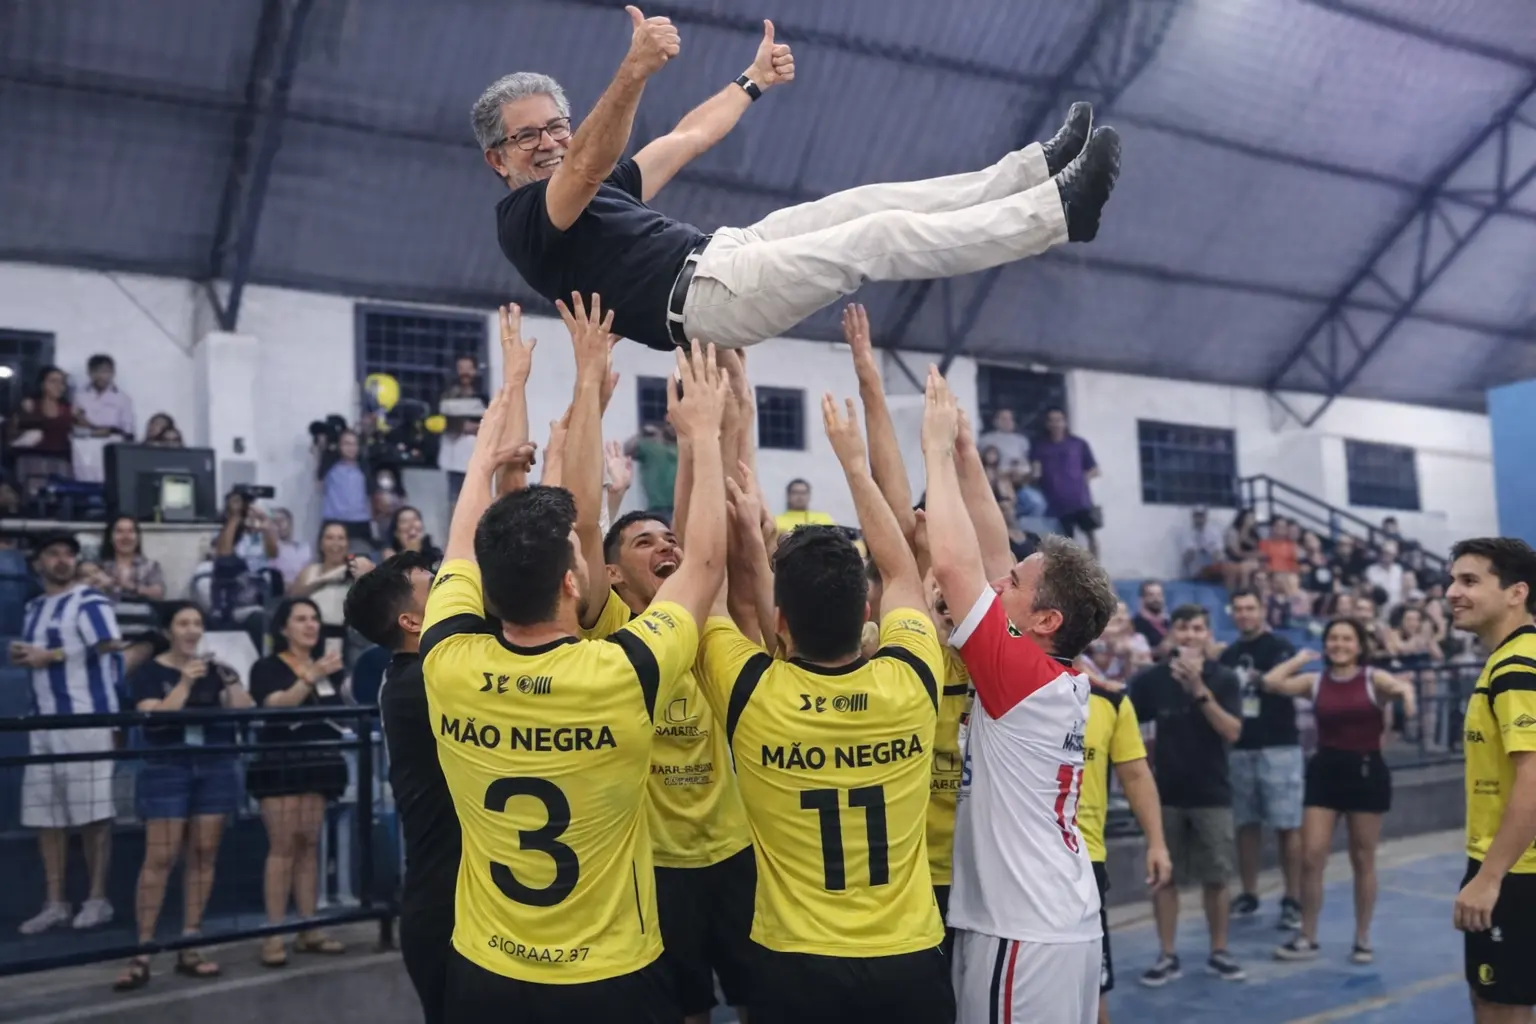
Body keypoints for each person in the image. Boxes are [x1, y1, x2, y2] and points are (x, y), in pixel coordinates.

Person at [478, 12, 1118, 352]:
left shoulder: (599, 189)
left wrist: (752, 81)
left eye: (556, 127)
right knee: (876, 236)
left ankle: (1035, 170)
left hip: (724, 252)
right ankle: (1058, 214)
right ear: (497, 160)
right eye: (527, 136)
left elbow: (686, 137)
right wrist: (634, 71)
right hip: (703, 298)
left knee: (865, 202)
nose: (549, 143)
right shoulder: (525, 221)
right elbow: (586, 163)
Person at [423, 307, 727, 1023]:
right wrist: (705, 436)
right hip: (609, 974)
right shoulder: (622, 673)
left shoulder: (447, 661)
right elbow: (707, 563)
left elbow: (462, 544)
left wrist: (491, 439)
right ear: (573, 581)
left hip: (487, 969)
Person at [694, 396, 952, 1023]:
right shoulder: (913, 679)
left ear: (781, 622)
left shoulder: (753, 692)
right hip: (908, 958)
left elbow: (711, 591)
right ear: (866, 615)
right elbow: (902, 573)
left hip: (795, 964)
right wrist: (854, 464)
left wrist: (709, 447)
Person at [923, 368, 1116, 1024]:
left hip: (1023, 929)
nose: (998, 580)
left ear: (1046, 619)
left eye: (1013, 583)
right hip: (1055, 918)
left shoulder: (1020, 677)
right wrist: (968, 451)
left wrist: (935, 450)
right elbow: (991, 545)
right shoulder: (1048, 674)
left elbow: (955, 564)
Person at [584, 509, 755, 1024]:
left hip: (732, 850)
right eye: (643, 542)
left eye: (670, 539)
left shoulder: (704, 624)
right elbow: (587, 529)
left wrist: (709, 459)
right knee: (687, 1009)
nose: (665, 547)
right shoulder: (610, 630)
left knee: (759, 999)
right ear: (612, 574)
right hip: (657, 864)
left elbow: (705, 544)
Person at [1262, 619, 1416, 963]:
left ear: (1359, 646)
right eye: (1333, 638)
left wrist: (1406, 694)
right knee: (1311, 856)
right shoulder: (1315, 681)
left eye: (1347, 639)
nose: (1339, 644)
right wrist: (1300, 659)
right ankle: (1307, 936)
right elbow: (1272, 682)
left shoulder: (1372, 678)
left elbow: (1398, 687)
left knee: (1362, 858)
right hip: (1325, 771)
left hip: (1365, 771)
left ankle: (1362, 938)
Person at [115, 602, 251, 990]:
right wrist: (185, 684)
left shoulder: (213, 670)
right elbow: (156, 717)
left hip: (214, 765)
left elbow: (244, 709)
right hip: (167, 767)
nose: (192, 630)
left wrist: (231, 681)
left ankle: (191, 941)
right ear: (168, 630)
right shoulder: (149, 672)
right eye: (183, 623)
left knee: (204, 853)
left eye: (197, 623)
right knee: (160, 856)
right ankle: (142, 950)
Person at [344, 551, 454, 1024]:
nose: (452, 586)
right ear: (411, 621)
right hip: (444, 911)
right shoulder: (423, 683)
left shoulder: (419, 673)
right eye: (436, 583)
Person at [1129, 604, 1246, 985]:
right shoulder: (1152, 680)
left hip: (1212, 791)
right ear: (1172, 634)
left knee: (1217, 876)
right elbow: (1125, 719)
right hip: (1166, 793)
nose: (1190, 635)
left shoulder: (1224, 678)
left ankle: (1219, 950)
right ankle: (1167, 955)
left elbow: (1232, 731)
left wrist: (1198, 690)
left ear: (1208, 634)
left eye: (1197, 628)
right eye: (1183, 628)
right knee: (1164, 878)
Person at [12, 532, 122, 934]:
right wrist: (26, 656)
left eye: (68, 554)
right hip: (43, 720)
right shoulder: (34, 607)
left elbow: (110, 643)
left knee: (93, 814)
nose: (62, 560)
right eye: (53, 554)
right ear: (37, 563)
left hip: (85, 719)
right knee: (47, 817)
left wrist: (52, 655)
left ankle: (97, 899)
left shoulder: (90, 600)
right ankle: (56, 902)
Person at [1445, 537, 1536, 1022]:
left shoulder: (1517, 667)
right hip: (1515, 866)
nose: (1452, 592)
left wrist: (1490, 876)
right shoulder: (1514, 659)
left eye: (1470, 581)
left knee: (1500, 1008)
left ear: (1516, 592)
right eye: (1452, 580)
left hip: (1517, 872)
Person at [246, 597, 349, 967]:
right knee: (283, 846)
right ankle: (273, 933)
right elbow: (277, 703)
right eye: (301, 619)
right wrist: (311, 676)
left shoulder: (327, 666)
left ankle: (309, 927)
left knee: (309, 844)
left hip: (318, 760)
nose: (310, 625)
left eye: (314, 618)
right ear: (283, 628)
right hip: (280, 762)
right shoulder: (267, 667)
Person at [1079, 671, 1173, 1024]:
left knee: (1092, 989)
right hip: (1014, 859)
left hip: (1084, 860)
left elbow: (1135, 774)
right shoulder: (1004, 687)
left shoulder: (1109, 701)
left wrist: (1157, 844)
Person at [1221, 589, 1303, 930]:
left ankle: (1293, 898)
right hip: (1241, 747)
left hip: (1279, 747)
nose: (1244, 614)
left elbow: (1280, 684)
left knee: (1287, 825)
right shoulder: (1229, 655)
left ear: (1262, 610)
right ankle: (1250, 893)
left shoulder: (1280, 648)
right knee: (1246, 824)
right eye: (1239, 609)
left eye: (1250, 608)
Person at [1031, 406, 1101, 556]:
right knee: (1066, 543)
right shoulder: (1040, 446)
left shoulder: (1078, 444)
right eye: (1052, 420)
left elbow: (1094, 469)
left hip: (1080, 500)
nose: (1055, 424)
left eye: (1059, 420)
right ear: (1047, 424)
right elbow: (1036, 471)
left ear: (1065, 422)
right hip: (1056, 503)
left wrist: (1082, 481)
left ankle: (1097, 568)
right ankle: (1072, 571)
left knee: (1091, 537)